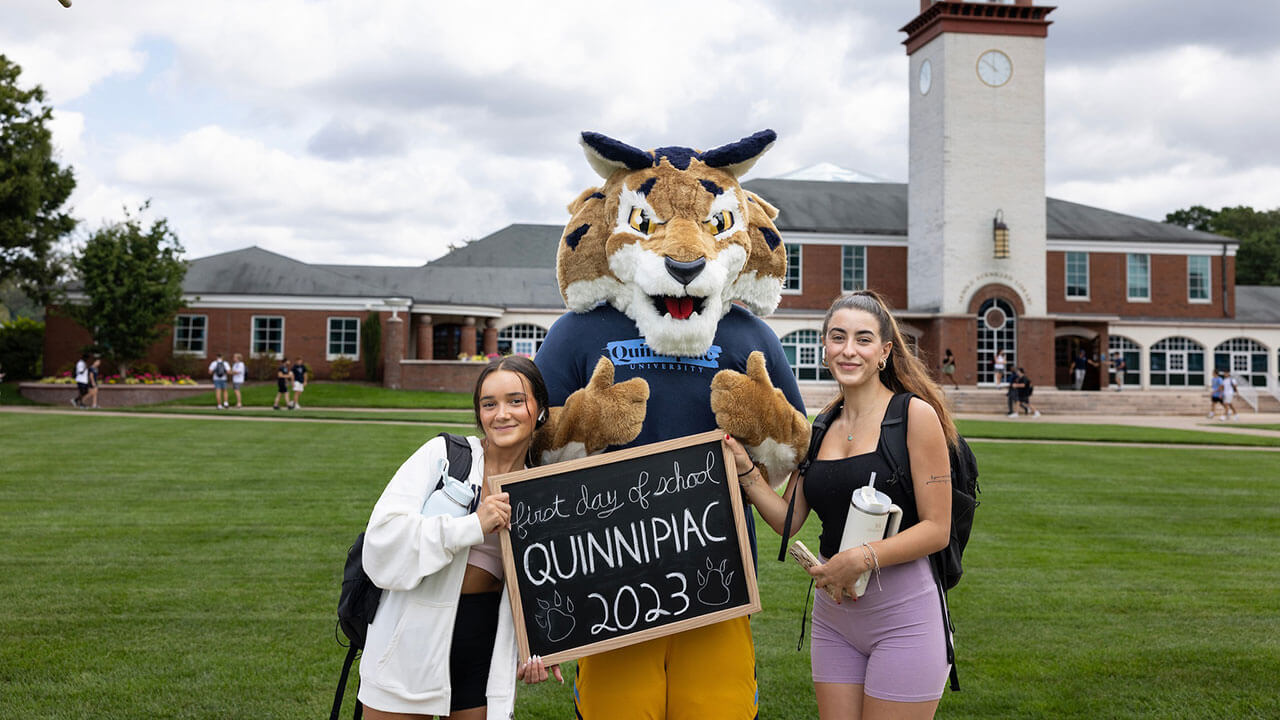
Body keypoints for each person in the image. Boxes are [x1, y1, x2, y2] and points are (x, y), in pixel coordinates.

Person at [727, 290, 955, 719]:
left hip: (904, 616)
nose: (849, 350)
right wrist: (746, 472)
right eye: (838, 337)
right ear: (825, 346)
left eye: (863, 339)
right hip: (834, 622)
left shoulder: (913, 416)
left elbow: (937, 528)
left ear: (885, 351)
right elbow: (788, 521)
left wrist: (861, 558)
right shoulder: (822, 424)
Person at [359, 355, 560, 719]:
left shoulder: (543, 491)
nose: (502, 414)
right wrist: (472, 526)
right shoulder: (446, 456)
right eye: (489, 404)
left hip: (481, 651)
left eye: (516, 401)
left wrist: (545, 644)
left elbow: (541, 581)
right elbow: (382, 540)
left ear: (540, 409)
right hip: (409, 640)